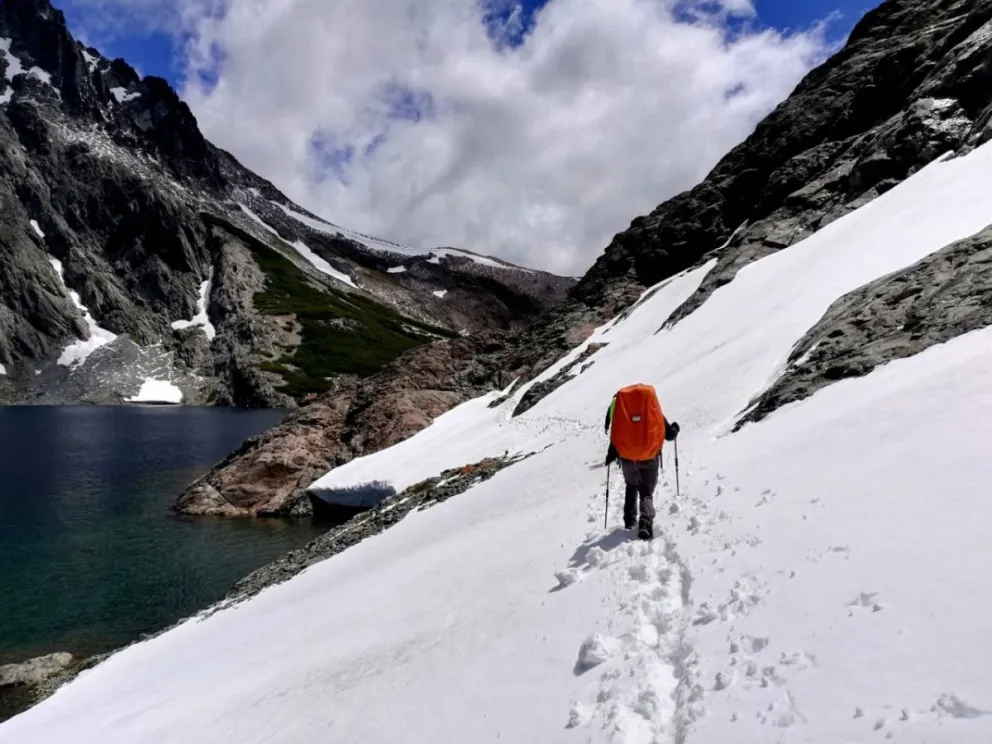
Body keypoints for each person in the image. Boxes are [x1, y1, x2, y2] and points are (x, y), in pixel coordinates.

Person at [604, 386, 679, 539]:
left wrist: (611, 454)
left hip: (627, 458)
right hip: (650, 457)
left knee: (631, 486)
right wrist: (675, 429)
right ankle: (645, 521)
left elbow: (616, 435)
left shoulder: (623, 415)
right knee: (646, 490)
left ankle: (629, 521)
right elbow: (670, 435)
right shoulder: (653, 413)